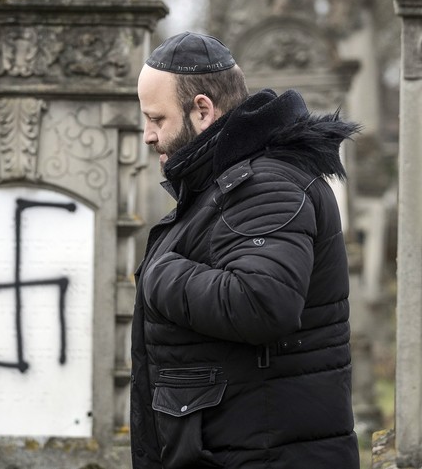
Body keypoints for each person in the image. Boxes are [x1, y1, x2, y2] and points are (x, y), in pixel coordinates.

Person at [130, 31, 361, 468]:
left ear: (202, 110)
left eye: (157, 119)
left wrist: (159, 274)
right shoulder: (230, 183)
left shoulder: (265, 184)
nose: (148, 135)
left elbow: (262, 301)